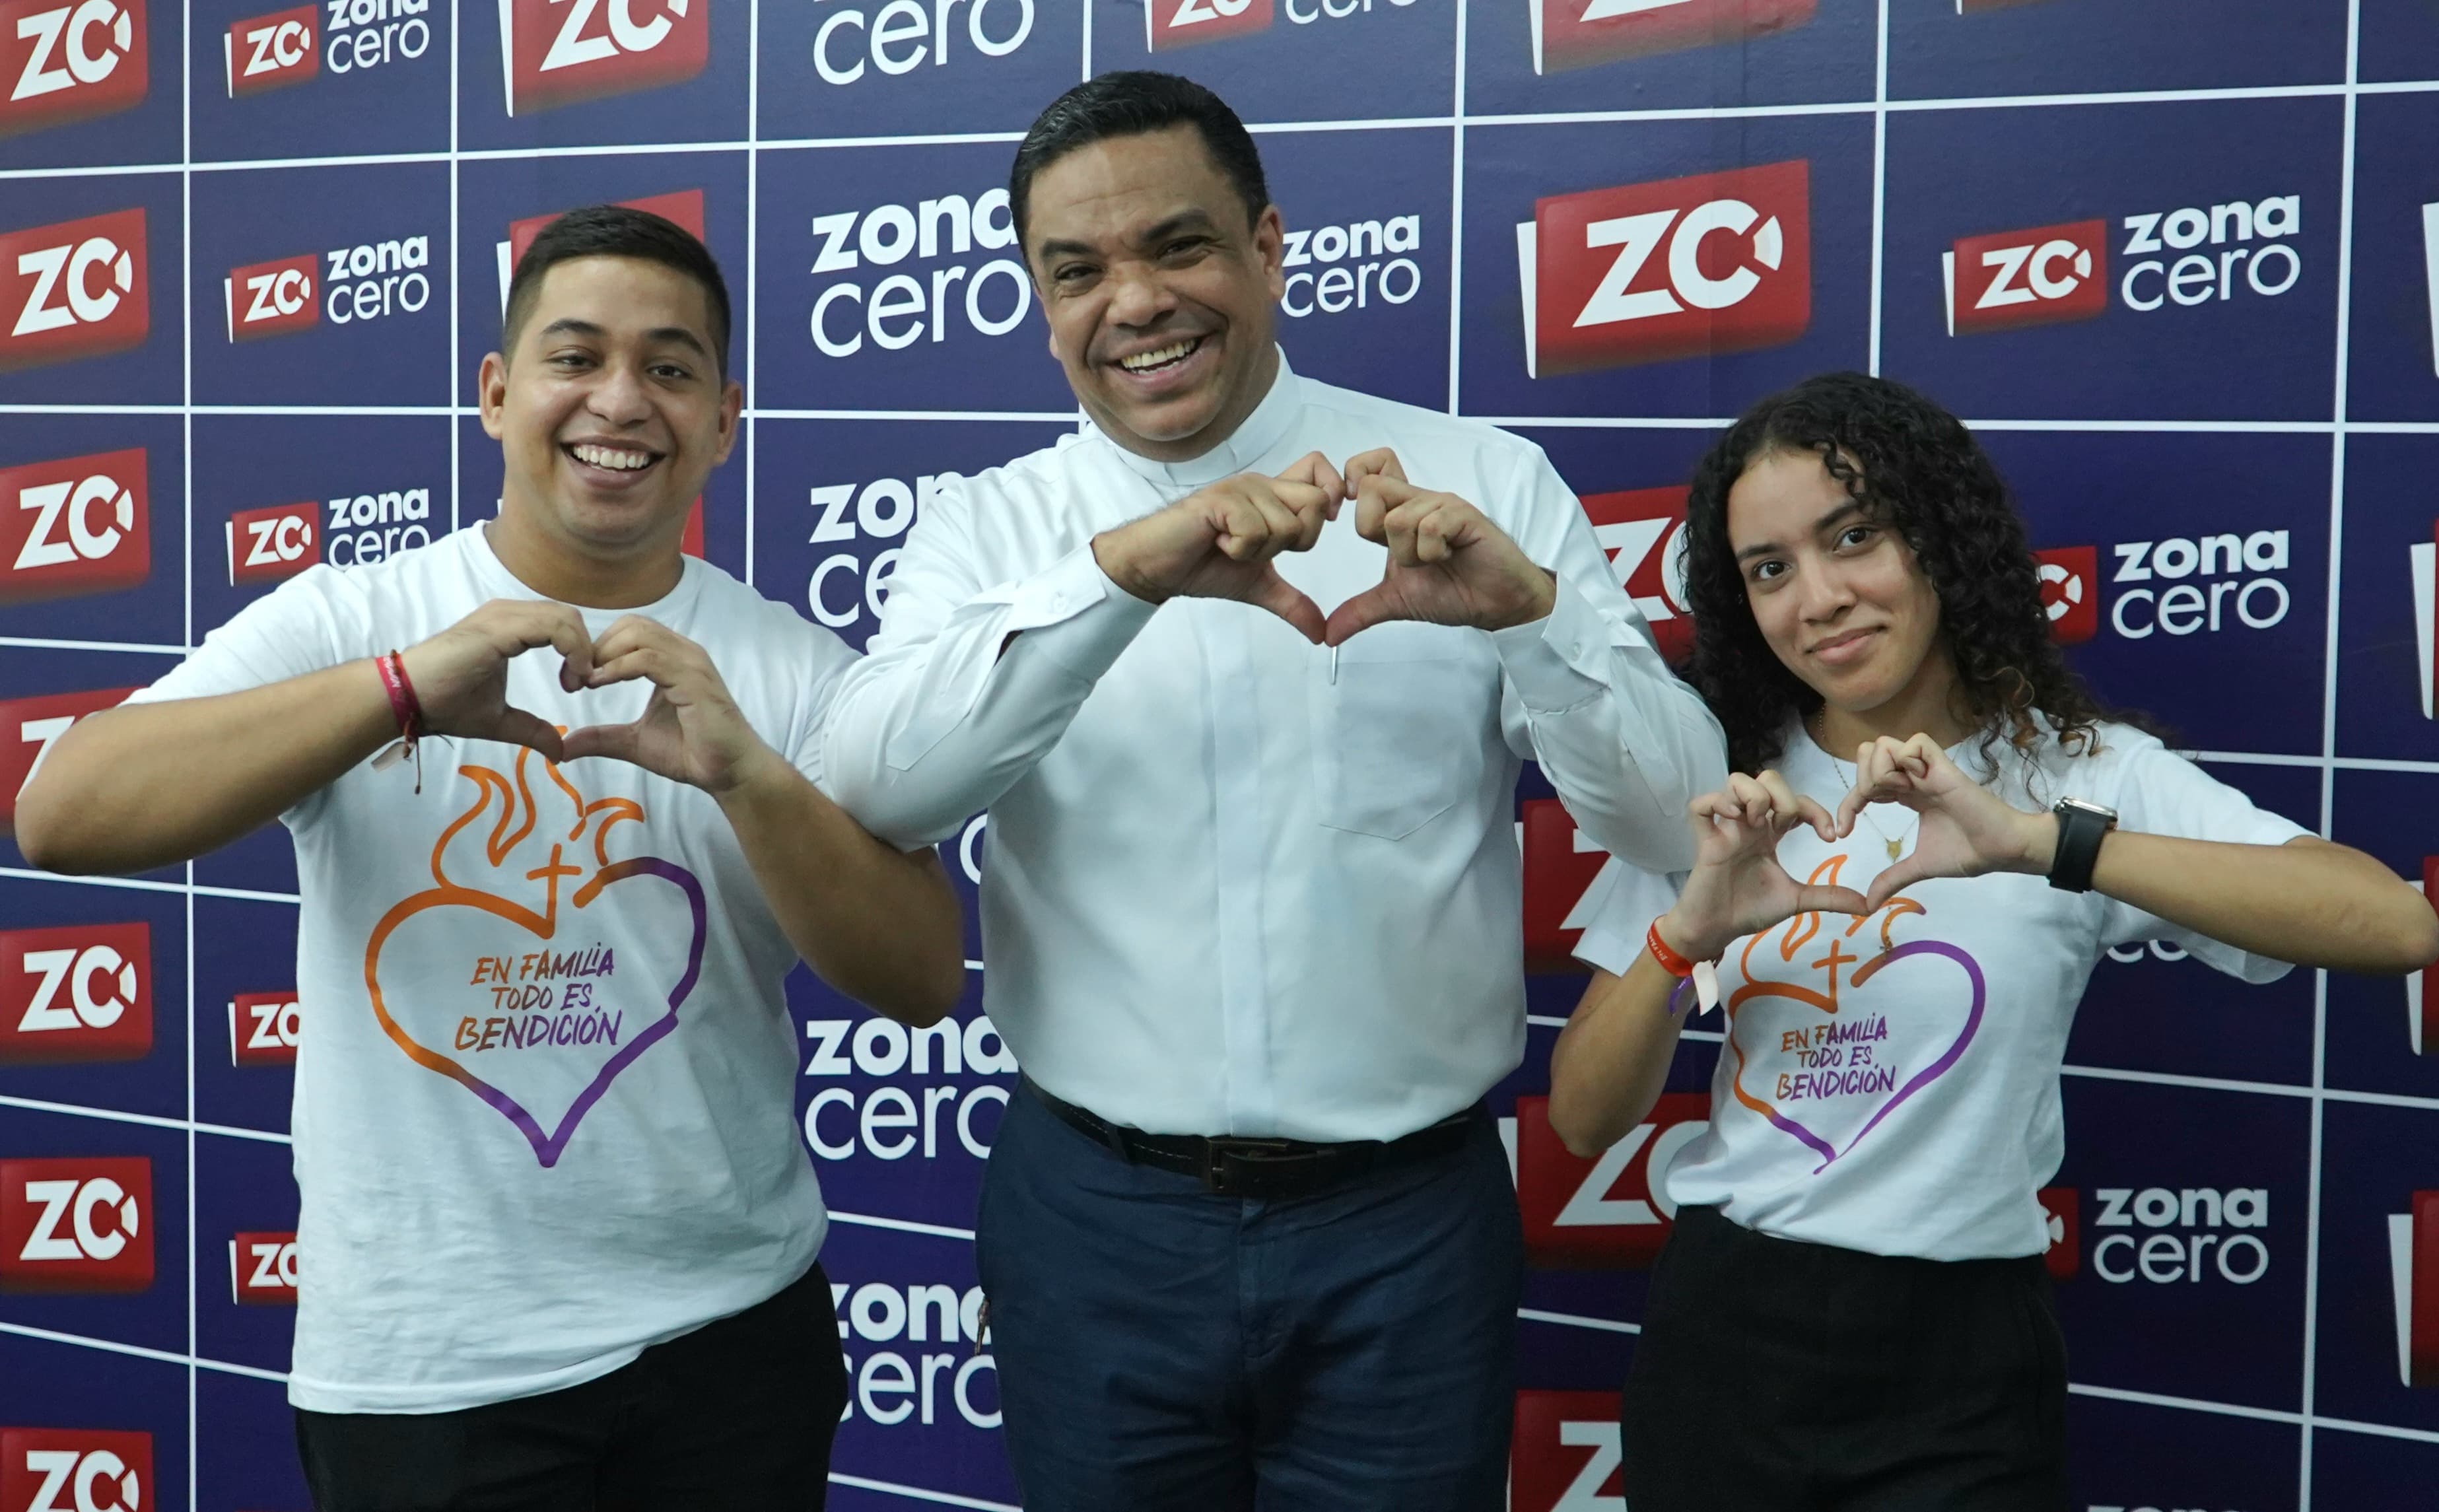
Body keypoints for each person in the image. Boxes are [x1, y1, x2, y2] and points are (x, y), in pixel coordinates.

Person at [813, 69, 1725, 1511]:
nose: (1133, 301)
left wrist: (1530, 614)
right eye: (1077, 271)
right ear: (1040, 301)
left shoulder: (1473, 477)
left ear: (1266, 246)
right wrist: (1121, 574)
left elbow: (1673, 826)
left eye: (1176, 246)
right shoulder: (990, 525)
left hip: (1404, 1229)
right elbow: (879, 782)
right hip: (1093, 1215)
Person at [15, 205, 965, 1511]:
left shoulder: (787, 667)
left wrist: (747, 774)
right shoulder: (357, 617)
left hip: (733, 1337)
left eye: (671, 367)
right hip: (429, 1362)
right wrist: (398, 689)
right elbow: (62, 812)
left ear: (726, 417)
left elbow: (920, 973)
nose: (619, 400)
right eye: (575, 357)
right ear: (496, 392)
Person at [1546, 372, 2439, 1509]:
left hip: (1961, 1358)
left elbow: (2392, 922)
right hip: (1727, 1334)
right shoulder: (1718, 781)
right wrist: (1686, 936)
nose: (1816, 598)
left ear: (1936, 536)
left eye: (1853, 536)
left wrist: (2035, 842)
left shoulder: (2077, 771)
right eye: (1769, 568)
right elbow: (1581, 1114)